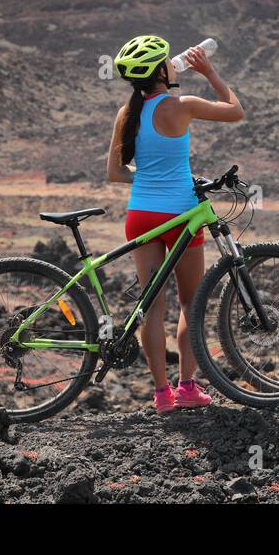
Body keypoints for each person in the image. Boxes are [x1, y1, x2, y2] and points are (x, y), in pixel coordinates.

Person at [107, 34, 244, 413]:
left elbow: (116, 173)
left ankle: (161, 395)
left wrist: (151, 176)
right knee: (191, 303)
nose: (174, 63)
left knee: (152, 307)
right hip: (181, 216)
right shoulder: (181, 105)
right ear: (161, 72)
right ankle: (186, 387)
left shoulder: (126, 113)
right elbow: (235, 111)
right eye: (169, 61)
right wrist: (209, 71)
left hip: (141, 217)